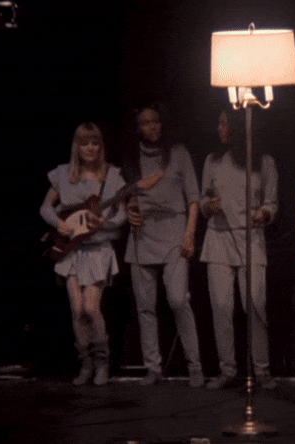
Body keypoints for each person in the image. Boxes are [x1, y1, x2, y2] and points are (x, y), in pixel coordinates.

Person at [39, 122, 127, 386]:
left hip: (98, 249)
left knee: (90, 308)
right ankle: (86, 364)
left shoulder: (112, 176)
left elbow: (122, 213)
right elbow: (45, 207)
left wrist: (106, 223)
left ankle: (102, 363)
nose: (90, 148)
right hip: (72, 251)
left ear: (101, 146)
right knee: (77, 311)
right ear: (77, 147)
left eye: (95, 143)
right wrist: (59, 224)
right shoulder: (64, 174)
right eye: (85, 143)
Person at [123, 105, 204, 387]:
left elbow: (193, 197)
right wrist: (129, 211)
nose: (152, 126)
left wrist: (190, 235)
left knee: (178, 300)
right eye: (145, 122)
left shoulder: (178, 153)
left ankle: (195, 365)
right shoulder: (132, 157)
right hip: (143, 234)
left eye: (155, 121)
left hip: (174, 231)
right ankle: (153, 367)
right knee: (145, 307)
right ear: (138, 127)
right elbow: (127, 197)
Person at [200, 110, 278, 390]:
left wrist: (264, 214)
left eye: (224, 123)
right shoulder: (213, 160)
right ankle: (227, 369)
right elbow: (203, 200)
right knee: (222, 307)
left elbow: (271, 202)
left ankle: (262, 369)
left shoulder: (264, 161)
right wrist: (209, 206)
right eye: (218, 122)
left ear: (237, 126)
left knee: (255, 305)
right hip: (218, 240)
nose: (219, 128)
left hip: (250, 240)